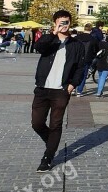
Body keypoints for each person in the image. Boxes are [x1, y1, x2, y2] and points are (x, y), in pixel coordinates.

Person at [31, 10, 85, 172]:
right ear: (55, 23)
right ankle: (52, 142)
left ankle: (47, 157)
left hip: (61, 90)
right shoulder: (50, 41)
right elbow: (38, 48)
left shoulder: (76, 45)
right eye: (61, 22)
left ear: (70, 23)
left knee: (56, 124)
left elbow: (80, 67)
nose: (64, 25)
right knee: (37, 123)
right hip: (42, 88)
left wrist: (72, 85)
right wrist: (53, 33)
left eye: (66, 22)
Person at [73, 24, 98, 97]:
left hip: (76, 58)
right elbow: (96, 49)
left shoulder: (77, 37)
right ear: (91, 30)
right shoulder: (93, 39)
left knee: (75, 73)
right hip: (87, 59)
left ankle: (73, 88)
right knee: (83, 75)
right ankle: (79, 91)